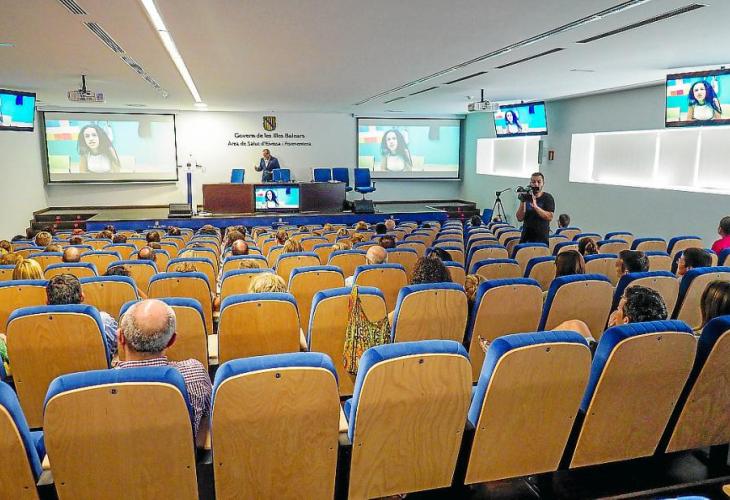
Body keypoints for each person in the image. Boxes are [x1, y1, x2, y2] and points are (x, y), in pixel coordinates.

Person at [115, 300, 211, 436]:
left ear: (120, 337)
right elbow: (210, 417)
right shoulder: (195, 374)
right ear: (172, 341)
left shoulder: (96, 388)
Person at [46, 274, 118, 355]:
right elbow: (117, 346)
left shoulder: (38, 327)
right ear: (82, 297)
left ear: (47, 302)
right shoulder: (103, 321)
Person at [516, 172, 555, 245]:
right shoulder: (526, 197)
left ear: (543, 183)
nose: (536, 184)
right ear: (530, 183)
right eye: (533, 182)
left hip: (542, 240)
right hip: (526, 239)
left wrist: (536, 207)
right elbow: (519, 218)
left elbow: (550, 217)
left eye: (539, 182)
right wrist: (522, 201)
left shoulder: (548, 198)